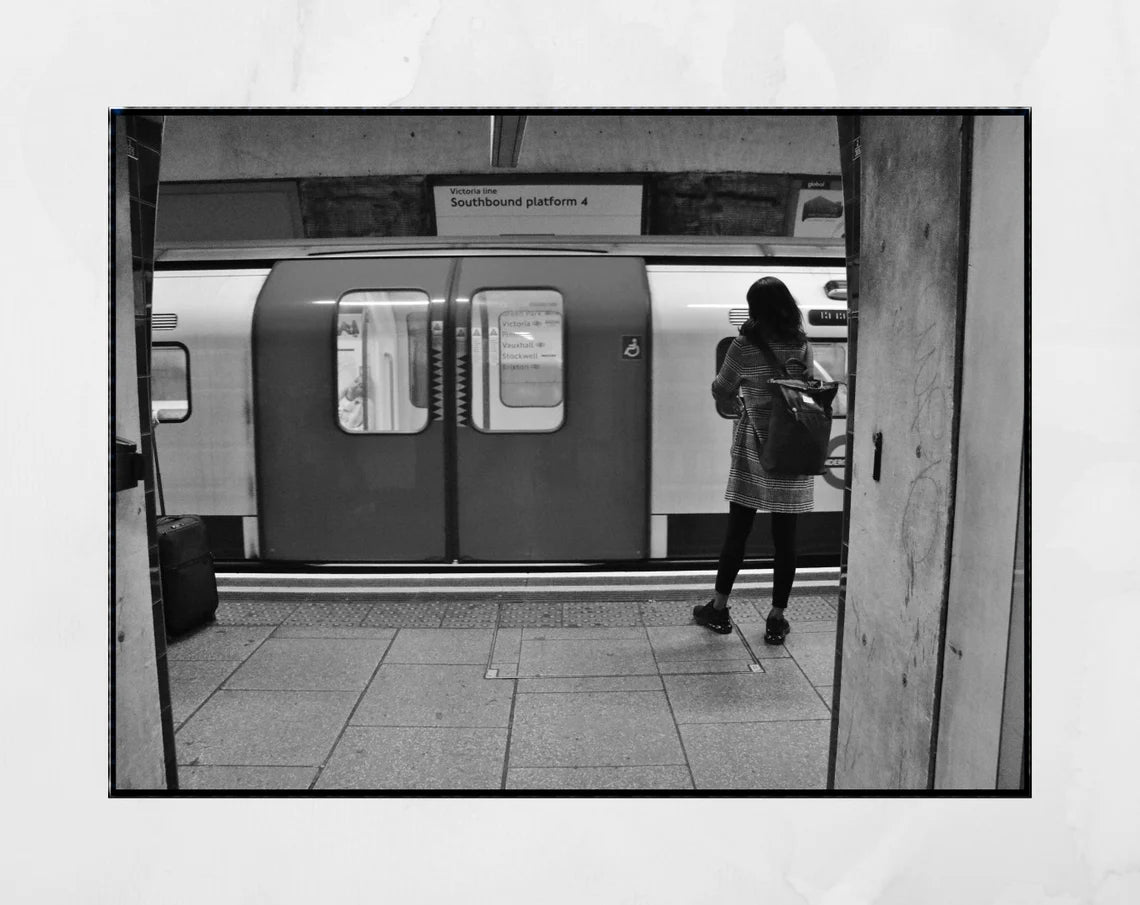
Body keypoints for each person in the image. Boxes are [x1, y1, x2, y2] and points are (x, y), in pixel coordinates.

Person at [693, 276, 815, 644]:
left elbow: (721, 388)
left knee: (738, 532)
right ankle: (776, 618)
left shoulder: (743, 346)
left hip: (754, 447)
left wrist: (742, 394)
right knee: (786, 540)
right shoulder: (800, 344)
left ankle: (719, 608)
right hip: (791, 446)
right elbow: (806, 385)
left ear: (754, 308)